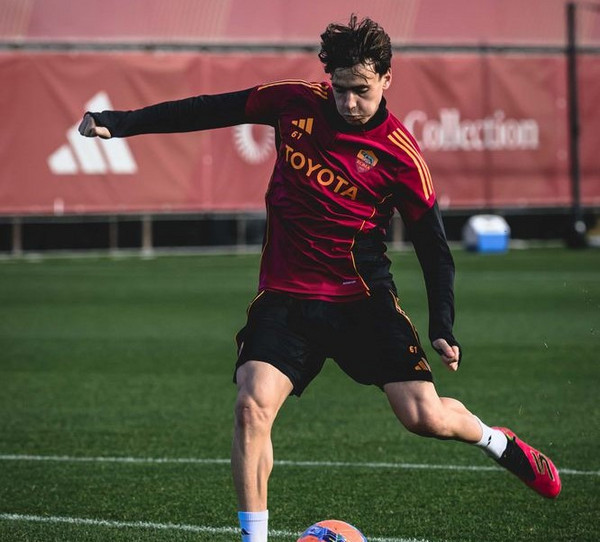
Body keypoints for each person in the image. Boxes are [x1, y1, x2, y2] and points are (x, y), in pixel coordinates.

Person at [79, 15, 561, 542]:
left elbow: (434, 248)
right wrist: (119, 123)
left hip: (361, 301)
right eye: (340, 88)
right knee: (251, 407)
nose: (348, 102)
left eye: (361, 90)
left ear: (387, 79)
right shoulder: (293, 101)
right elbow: (210, 108)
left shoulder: (401, 156)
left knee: (424, 417)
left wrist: (442, 323)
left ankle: (497, 441)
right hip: (286, 298)